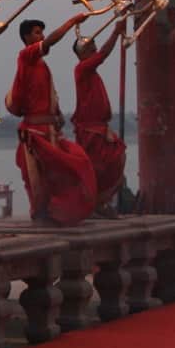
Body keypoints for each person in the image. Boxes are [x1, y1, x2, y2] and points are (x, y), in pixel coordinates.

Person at [7, 15, 97, 226]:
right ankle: (42, 215)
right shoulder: (26, 56)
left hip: (50, 130)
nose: (42, 36)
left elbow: (47, 94)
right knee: (38, 176)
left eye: (42, 32)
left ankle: (60, 212)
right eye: (37, 33)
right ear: (27, 37)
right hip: (35, 131)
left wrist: (57, 114)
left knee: (70, 165)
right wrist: (70, 22)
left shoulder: (41, 64)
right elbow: (50, 42)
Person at [71, 21, 128, 218]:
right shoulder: (82, 69)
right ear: (83, 53)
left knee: (116, 159)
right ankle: (94, 204)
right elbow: (103, 54)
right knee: (97, 168)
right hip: (91, 132)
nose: (95, 50)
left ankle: (99, 202)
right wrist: (116, 32)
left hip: (100, 129)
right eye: (91, 48)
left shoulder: (90, 72)